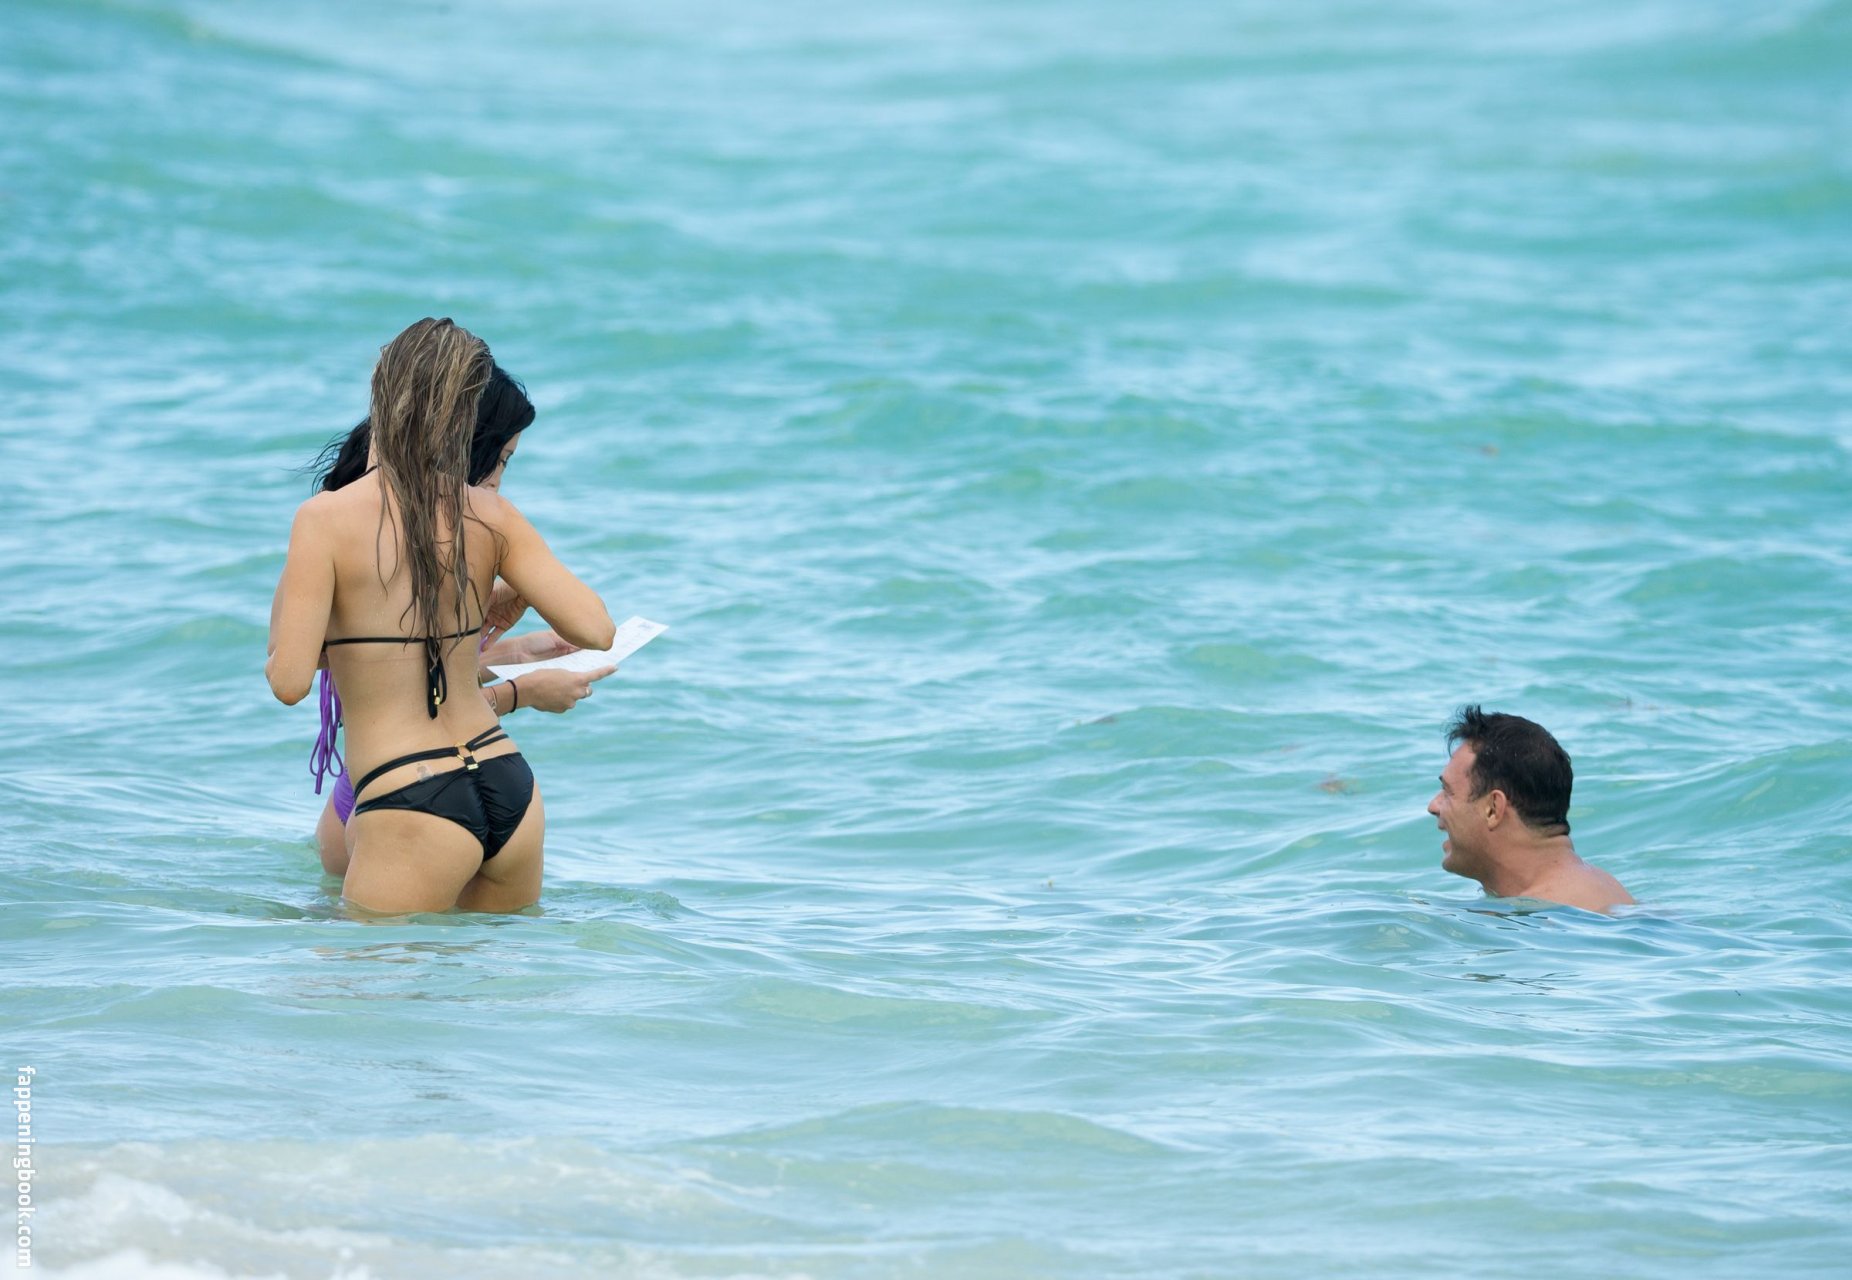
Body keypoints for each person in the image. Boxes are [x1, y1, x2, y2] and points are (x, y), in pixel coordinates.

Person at [268, 318, 615, 914]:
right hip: (508, 784)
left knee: (352, 974)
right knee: (488, 975)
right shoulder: (489, 512)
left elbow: (289, 682)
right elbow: (597, 630)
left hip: (409, 794)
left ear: (383, 392)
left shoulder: (323, 519)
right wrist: (503, 591)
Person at [1426, 705, 1634, 914]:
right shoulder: (1602, 890)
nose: (1433, 806)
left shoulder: (1548, 914)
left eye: (1448, 792)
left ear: (1493, 809)